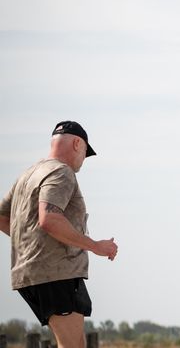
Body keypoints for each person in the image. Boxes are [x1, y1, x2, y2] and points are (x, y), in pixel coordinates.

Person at [1, 121, 119, 348]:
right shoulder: (62, 172)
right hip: (57, 273)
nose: (84, 160)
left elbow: (3, 218)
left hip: (28, 274)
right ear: (77, 143)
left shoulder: (29, 174)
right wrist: (96, 246)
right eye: (86, 152)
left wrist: (32, 245)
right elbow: (50, 219)